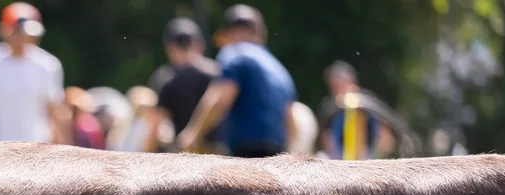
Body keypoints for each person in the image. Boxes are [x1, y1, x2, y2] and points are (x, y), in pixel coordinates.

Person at [177, 5, 296, 158]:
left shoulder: (234, 53)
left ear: (230, 31)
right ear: (259, 31)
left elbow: (221, 98)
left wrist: (193, 133)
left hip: (246, 153)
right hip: (277, 153)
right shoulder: (279, 68)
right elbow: (290, 118)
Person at [0, 3, 69, 145]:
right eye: (19, 32)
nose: (24, 38)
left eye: (29, 33)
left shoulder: (48, 65)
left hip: (36, 148)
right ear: (3, 30)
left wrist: (65, 148)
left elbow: (55, 111)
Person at [144, 18, 221, 153]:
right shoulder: (217, 72)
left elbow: (155, 125)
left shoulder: (164, 77)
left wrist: (144, 154)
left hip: (183, 155)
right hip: (220, 152)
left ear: (169, 48)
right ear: (200, 44)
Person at [319, 61, 393, 160]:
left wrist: (373, 157)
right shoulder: (331, 107)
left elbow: (384, 136)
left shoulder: (367, 103)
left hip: (366, 157)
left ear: (352, 82)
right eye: (334, 87)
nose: (338, 91)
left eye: (340, 85)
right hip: (337, 158)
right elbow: (326, 137)